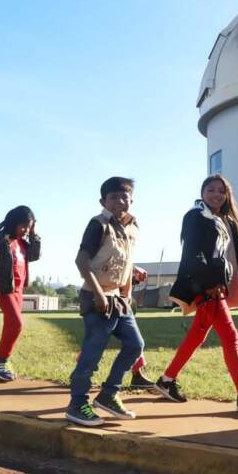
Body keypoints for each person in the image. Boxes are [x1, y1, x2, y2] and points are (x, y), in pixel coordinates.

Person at [155, 174, 238, 412]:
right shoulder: (196, 216)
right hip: (205, 286)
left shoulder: (221, 219)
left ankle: (167, 380)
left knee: (198, 336)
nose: (216, 194)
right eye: (211, 189)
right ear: (202, 193)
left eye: (221, 190)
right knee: (230, 337)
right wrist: (210, 282)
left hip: (214, 285)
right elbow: (193, 252)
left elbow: (228, 256)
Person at [65, 177, 145, 427]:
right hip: (96, 297)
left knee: (135, 345)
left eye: (125, 197)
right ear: (103, 201)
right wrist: (100, 295)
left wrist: (127, 293)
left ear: (132, 199)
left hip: (119, 300)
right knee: (93, 352)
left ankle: (109, 394)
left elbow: (128, 262)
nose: (120, 201)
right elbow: (82, 261)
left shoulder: (133, 226)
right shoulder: (98, 224)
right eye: (114, 197)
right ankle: (77, 404)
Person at [0, 206, 41, 381]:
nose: (25, 230)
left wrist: (33, 233)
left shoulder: (22, 242)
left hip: (19, 290)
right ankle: (1, 360)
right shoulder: (0, 239)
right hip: (5, 288)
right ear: (13, 223)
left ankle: (0, 364)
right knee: (16, 324)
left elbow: (35, 255)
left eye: (28, 227)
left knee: (11, 325)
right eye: (23, 226)